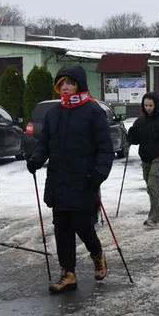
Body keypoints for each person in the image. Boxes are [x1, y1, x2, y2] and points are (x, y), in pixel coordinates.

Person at [27, 65, 113, 293]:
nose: (65, 88)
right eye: (61, 83)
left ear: (79, 85)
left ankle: (97, 255)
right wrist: (36, 159)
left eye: (69, 83)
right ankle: (68, 273)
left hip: (85, 180)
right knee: (62, 227)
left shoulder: (93, 111)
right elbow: (45, 143)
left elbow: (105, 148)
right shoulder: (53, 113)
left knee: (83, 225)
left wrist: (99, 174)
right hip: (59, 180)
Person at [128, 92, 159, 226]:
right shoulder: (140, 121)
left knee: (152, 186)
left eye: (150, 105)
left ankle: (153, 217)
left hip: (158, 157)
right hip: (145, 158)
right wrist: (131, 136)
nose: (148, 108)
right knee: (151, 188)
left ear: (156, 105)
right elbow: (136, 139)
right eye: (146, 105)